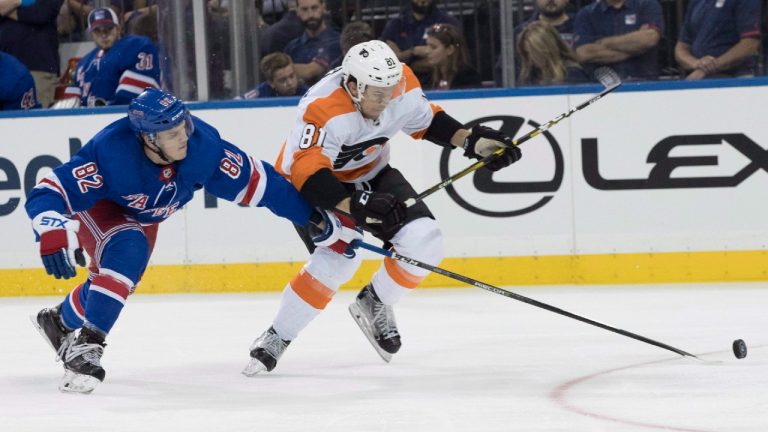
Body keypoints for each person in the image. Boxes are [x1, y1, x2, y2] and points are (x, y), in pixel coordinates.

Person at [27, 88, 361, 394]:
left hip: (145, 216)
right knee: (127, 250)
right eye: (172, 133)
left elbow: (266, 186)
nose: (184, 135)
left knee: (116, 283)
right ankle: (86, 345)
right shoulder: (111, 154)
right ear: (147, 138)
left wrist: (317, 220)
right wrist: (51, 229)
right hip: (101, 209)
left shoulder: (204, 148)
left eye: (183, 124)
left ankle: (57, 321)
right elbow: (48, 191)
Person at [242, 40, 522, 375]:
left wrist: (472, 140)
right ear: (353, 86)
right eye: (378, 94)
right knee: (339, 258)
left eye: (391, 90)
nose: (387, 99)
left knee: (425, 240)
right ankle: (278, 335)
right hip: (315, 187)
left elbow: (425, 120)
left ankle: (375, 301)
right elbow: (307, 171)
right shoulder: (321, 107)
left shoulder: (398, 82)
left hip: (372, 174)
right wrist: (354, 204)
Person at [62, 7, 160, 107]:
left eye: (108, 29)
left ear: (118, 28)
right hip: (89, 119)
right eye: (97, 31)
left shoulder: (135, 46)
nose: (104, 35)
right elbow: (70, 104)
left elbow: (132, 99)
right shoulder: (84, 63)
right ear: (91, 34)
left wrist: (108, 109)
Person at [572, 0, 663, 81]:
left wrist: (604, 42)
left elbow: (649, 39)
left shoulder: (647, 4)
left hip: (646, 85)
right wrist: (637, 48)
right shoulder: (587, 13)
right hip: (601, 88)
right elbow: (583, 53)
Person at [674, 0, 761, 80]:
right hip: (698, 77)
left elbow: (750, 43)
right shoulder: (696, 2)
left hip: (737, 78)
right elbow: (681, 46)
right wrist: (695, 63)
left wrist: (709, 67)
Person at [0, 0, 63, 108]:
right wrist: (20, 3)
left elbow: (42, 13)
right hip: (4, 68)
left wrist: (9, 6)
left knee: (36, 121)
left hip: (38, 66)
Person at [380, 0, 460, 75]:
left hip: (433, 80)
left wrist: (404, 58)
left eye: (433, 47)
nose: (421, 1)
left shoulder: (448, 22)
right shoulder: (396, 23)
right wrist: (413, 52)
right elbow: (386, 58)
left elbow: (451, 60)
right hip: (401, 81)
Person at [283, 0, 341, 86]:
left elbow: (310, 71)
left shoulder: (337, 41)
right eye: (304, 9)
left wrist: (283, 70)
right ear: (297, 11)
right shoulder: (292, 47)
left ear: (323, 7)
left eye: (314, 8)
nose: (310, 15)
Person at [517, 21, 590, 86]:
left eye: (534, 53)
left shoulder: (572, 73)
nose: (531, 59)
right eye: (527, 53)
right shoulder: (531, 74)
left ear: (548, 49)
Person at [421, 23, 481, 90]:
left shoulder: (469, 78)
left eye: (433, 47)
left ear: (450, 49)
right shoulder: (428, 78)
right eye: (427, 45)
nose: (427, 51)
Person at [242, 52, 309, 98]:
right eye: (283, 80)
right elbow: (236, 103)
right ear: (271, 83)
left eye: (291, 76)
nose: (290, 83)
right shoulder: (261, 92)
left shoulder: (308, 94)